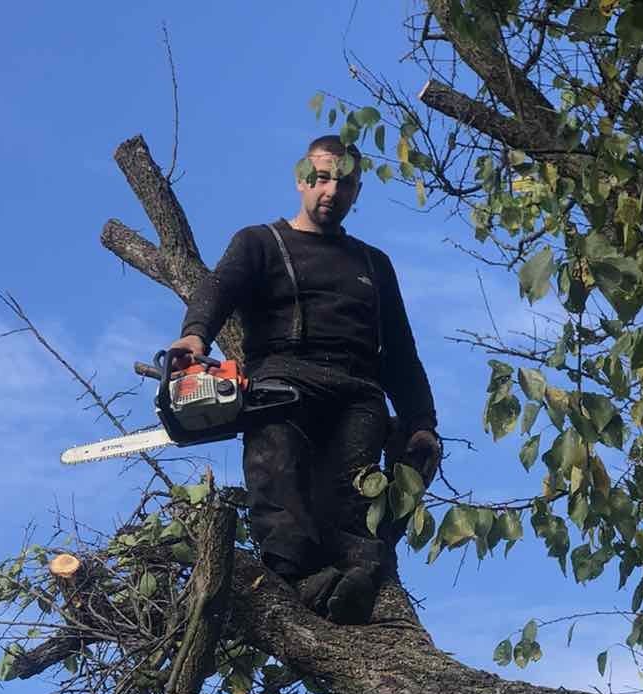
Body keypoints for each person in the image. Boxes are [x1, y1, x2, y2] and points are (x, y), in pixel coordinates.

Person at [168, 135, 441, 623]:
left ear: (357, 191)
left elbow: (400, 350)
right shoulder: (259, 242)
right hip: (282, 383)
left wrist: (422, 421)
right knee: (278, 476)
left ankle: (360, 575)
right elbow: (219, 288)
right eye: (321, 177)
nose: (331, 190)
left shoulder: (374, 264)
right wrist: (193, 338)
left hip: (357, 390)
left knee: (355, 497)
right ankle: (303, 581)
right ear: (301, 179)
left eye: (344, 182)